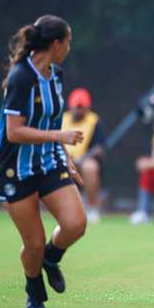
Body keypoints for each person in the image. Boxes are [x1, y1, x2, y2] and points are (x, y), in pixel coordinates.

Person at [0, 15, 86, 308]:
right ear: (56, 44)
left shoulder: (56, 75)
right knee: (33, 242)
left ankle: (51, 259)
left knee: (75, 224)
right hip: (13, 169)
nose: (69, 48)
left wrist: (66, 159)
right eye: (68, 42)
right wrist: (59, 135)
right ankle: (34, 291)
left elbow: (52, 119)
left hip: (47, 160)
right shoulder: (21, 78)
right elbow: (14, 132)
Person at [61, 88, 106, 223]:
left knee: (90, 167)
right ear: (70, 106)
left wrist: (83, 158)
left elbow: (100, 148)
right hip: (63, 159)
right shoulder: (62, 119)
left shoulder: (94, 120)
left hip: (83, 161)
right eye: (77, 107)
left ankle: (92, 209)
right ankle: (62, 209)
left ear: (88, 107)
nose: (79, 110)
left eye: (82, 107)